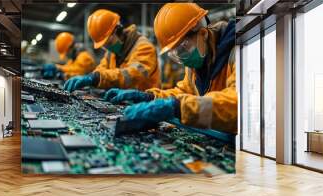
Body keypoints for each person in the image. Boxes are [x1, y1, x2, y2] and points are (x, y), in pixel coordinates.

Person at [104, 3, 237, 133]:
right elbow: (184, 92)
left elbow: (237, 104)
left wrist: (177, 108)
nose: (182, 60)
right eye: (175, 54)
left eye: (182, 49)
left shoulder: (240, 52)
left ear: (203, 34)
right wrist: (149, 97)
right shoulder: (197, 60)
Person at [63, 9, 160, 92]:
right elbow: (101, 70)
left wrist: (97, 78)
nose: (107, 48)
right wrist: (91, 76)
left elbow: (132, 75)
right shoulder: (111, 54)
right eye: (104, 45)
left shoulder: (144, 47)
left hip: (145, 105)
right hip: (123, 103)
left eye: (108, 43)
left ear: (118, 30)